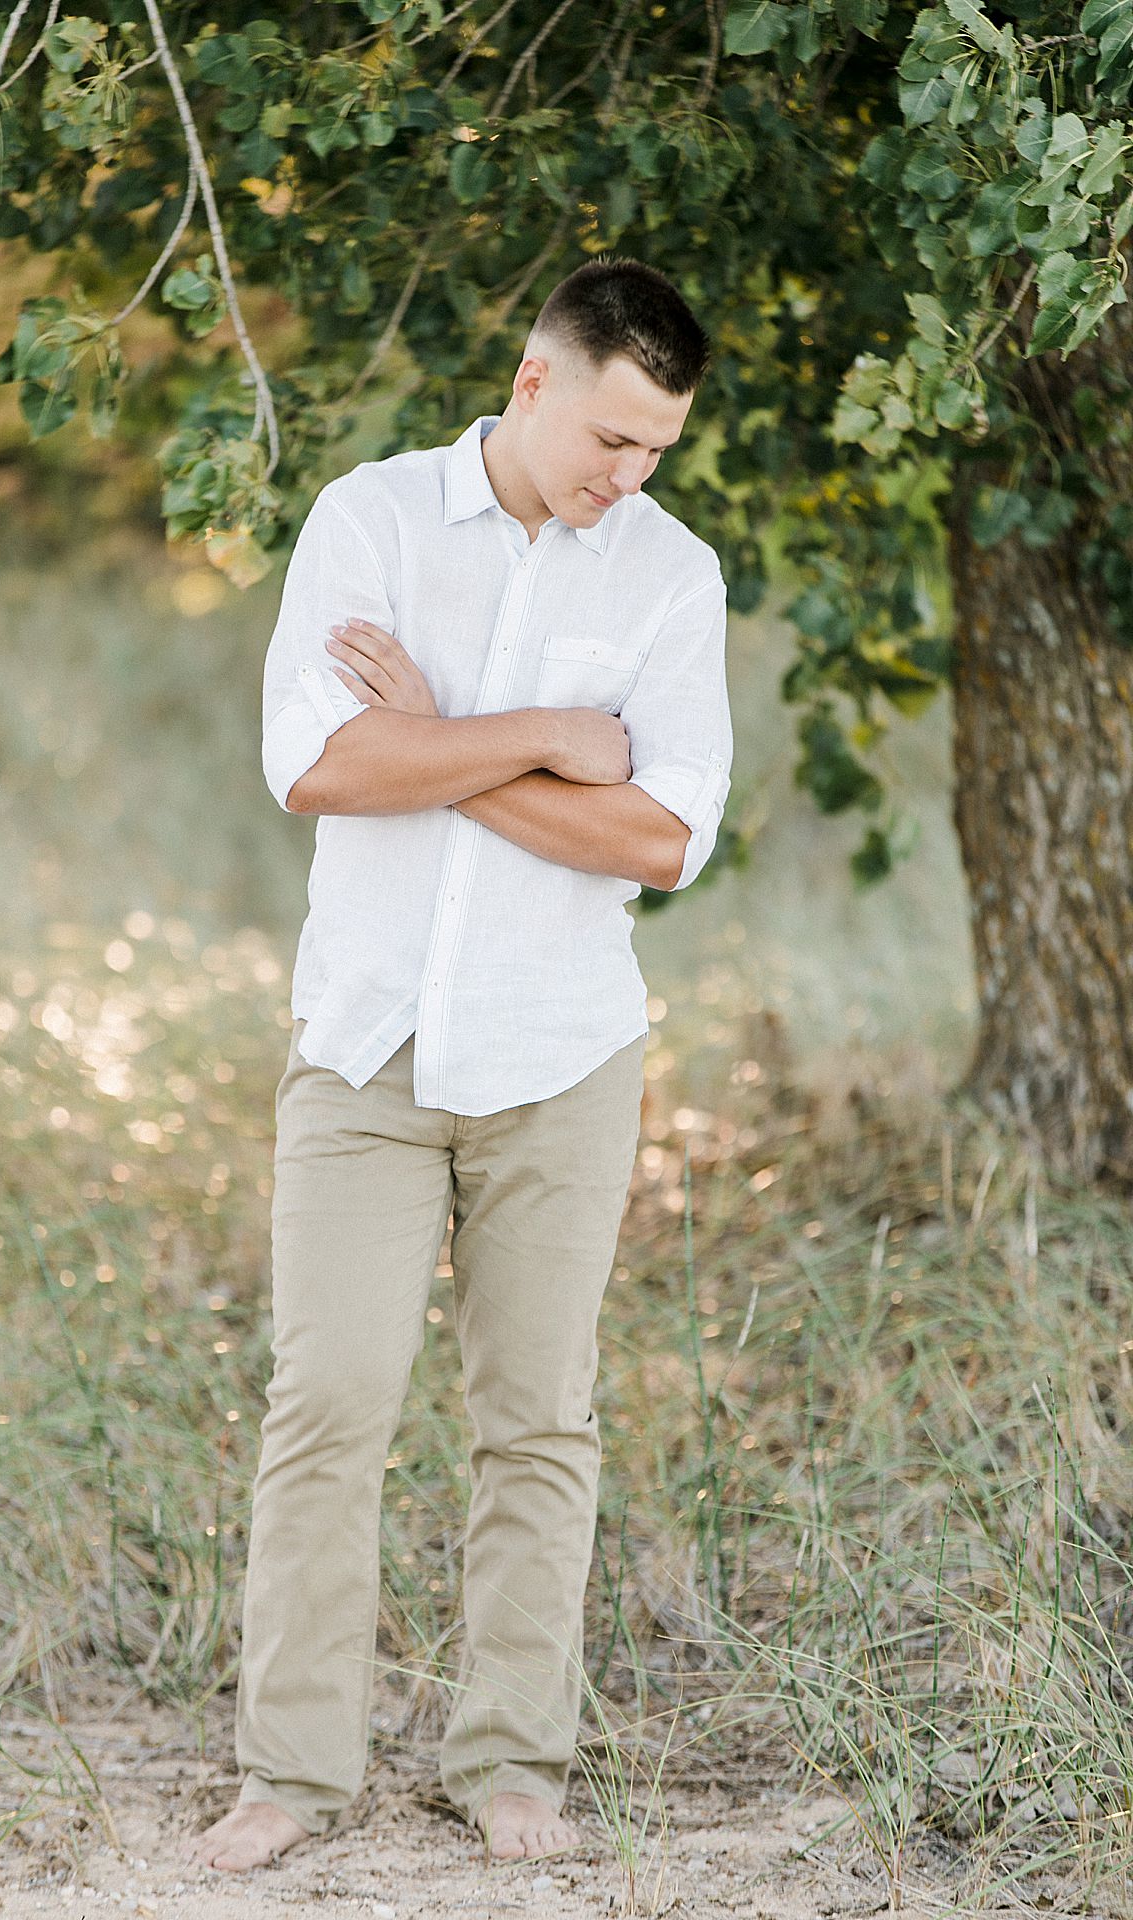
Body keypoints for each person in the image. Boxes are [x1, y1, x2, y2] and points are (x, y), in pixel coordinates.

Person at [184, 255, 732, 1874]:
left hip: (562, 1053)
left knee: (536, 1421)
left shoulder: (671, 577)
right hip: (363, 1044)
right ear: (533, 381)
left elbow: (664, 839)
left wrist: (451, 740)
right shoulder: (370, 520)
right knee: (328, 1402)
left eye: (654, 451)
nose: (622, 477)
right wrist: (553, 733)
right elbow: (326, 768)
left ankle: (512, 1767)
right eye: (609, 439)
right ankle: (288, 1777)